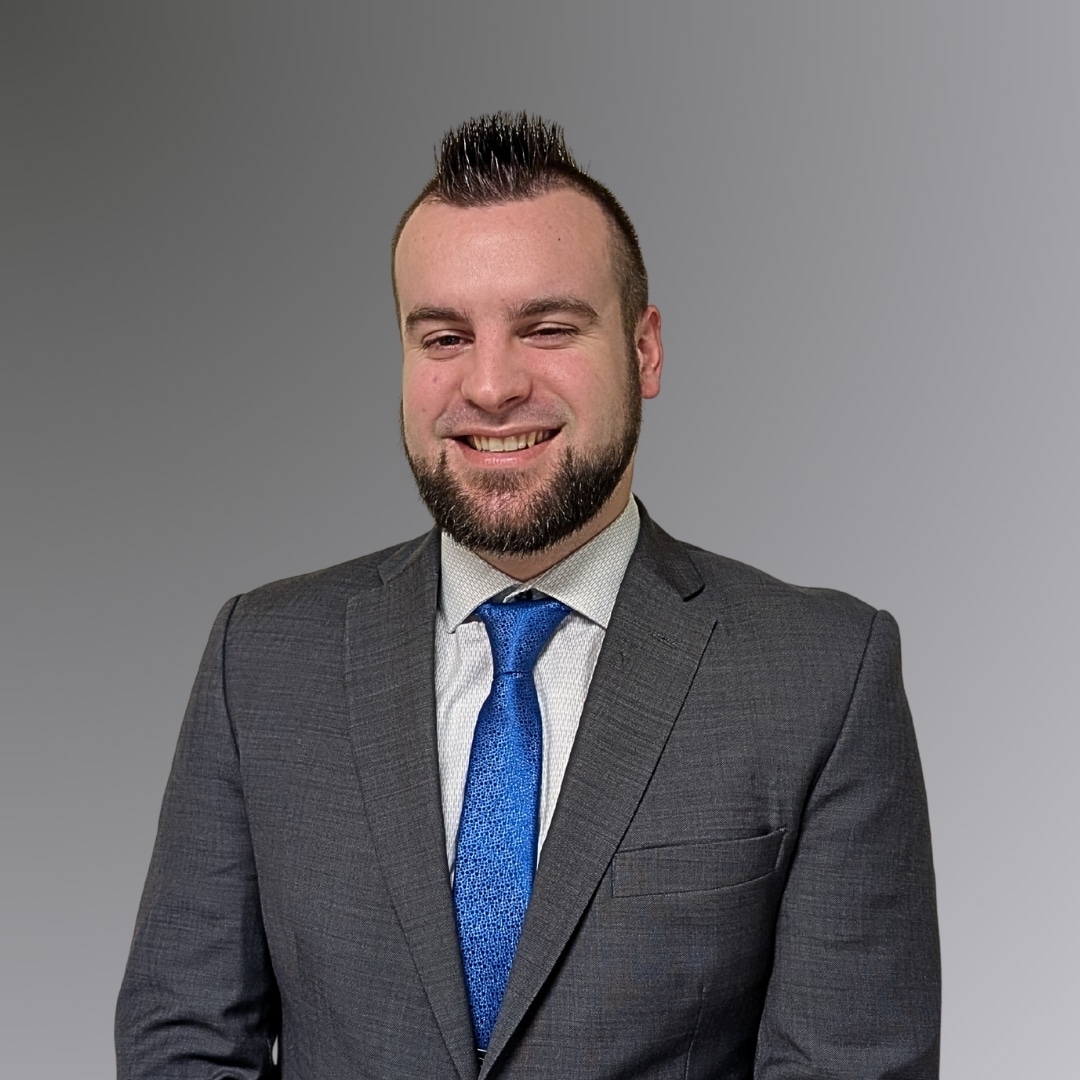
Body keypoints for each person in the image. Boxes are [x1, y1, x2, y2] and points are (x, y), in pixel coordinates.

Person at [116, 113, 940, 1079]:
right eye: (444, 336)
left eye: (547, 329)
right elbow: (185, 1043)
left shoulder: (822, 677)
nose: (491, 385)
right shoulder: (259, 659)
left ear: (644, 352)